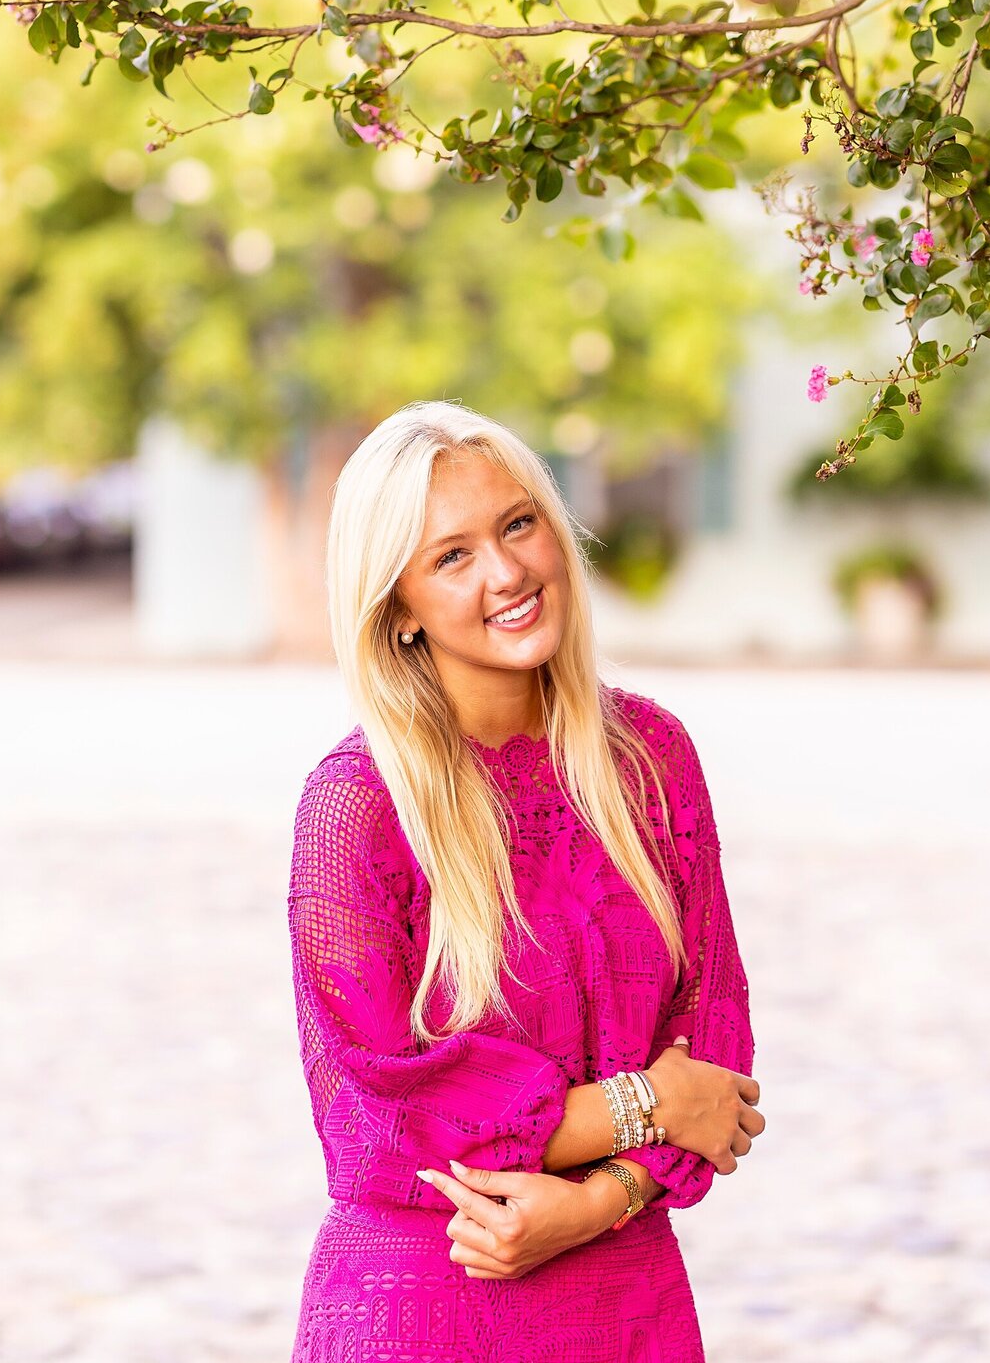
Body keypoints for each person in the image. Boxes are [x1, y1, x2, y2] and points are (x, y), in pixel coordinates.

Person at [287, 400, 763, 1361]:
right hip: (424, 1305)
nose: (508, 573)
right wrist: (650, 1105)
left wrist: (597, 1202)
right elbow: (395, 1115)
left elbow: (716, 1062)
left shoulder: (649, 759)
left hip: (630, 1299)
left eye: (518, 523)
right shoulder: (357, 810)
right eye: (450, 557)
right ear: (399, 609)